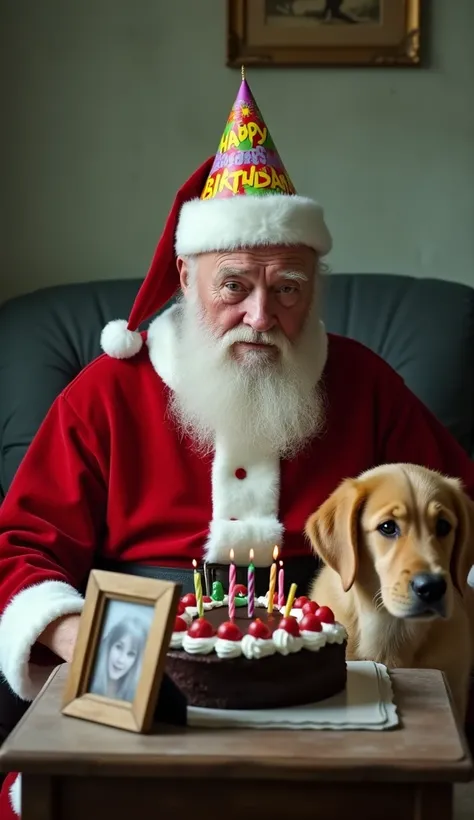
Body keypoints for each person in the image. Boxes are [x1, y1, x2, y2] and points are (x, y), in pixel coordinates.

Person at [0, 70, 474, 817]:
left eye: (288, 288)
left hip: (336, 673)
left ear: (314, 288)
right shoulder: (105, 394)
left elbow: (459, 506)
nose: (262, 313)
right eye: (234, 287)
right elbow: (21, 549)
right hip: (145, 675)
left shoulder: (363, 381)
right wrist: (87, 643)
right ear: (187, 278)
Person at [89, 615, 149, 702]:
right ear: (109, 646)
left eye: (131, 654)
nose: (121, 660)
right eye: (119, 647)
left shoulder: (136, 697)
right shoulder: (88, 681)